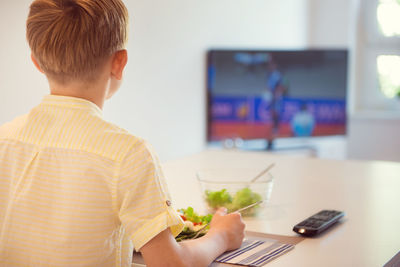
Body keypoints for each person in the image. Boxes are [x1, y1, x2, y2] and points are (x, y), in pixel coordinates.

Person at [0, 0, 245, 266]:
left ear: (36, 62)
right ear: (119, 62)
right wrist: (222, 235)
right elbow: (171, 264)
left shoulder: (4, 139)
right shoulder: (129, 154)